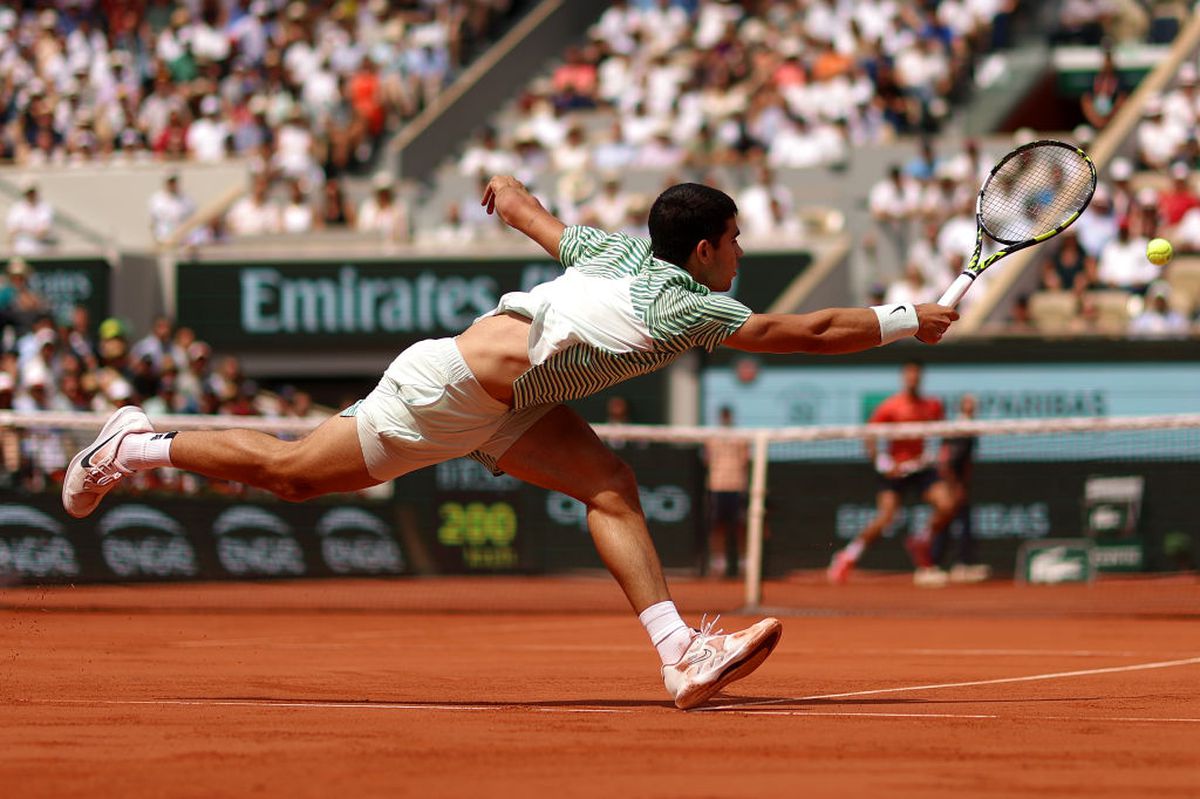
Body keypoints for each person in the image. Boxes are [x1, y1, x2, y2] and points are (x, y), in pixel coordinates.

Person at [63, 176, 958, 710]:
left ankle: (680, 653)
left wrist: (505, 192)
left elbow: (537, 219)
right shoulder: (689, 301)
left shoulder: (616, 251)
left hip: (516, 403)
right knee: (293, 476)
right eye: (733, 239)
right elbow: (803, 332)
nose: (738, 252)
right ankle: (137, 443)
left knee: (610, 482)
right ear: (702, 249)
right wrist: (906, 317)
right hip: (447, 390)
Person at [827, 360, 958, 587]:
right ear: (903, 378)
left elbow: (944, 433)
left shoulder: (933, 405)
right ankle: (847, 555)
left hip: (921, 469)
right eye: (908, 375)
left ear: (921, 378)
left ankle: (921, 541)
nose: (912, 379)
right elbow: (870, 435)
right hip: (895, 470)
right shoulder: (891, 406)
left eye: (916, 375)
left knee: (947, 503)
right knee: (886, 517)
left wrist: (936, 456)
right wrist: (882, 462)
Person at [932, 394, 991, 583]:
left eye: (973, 404)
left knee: (960, 522)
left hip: (958, 483)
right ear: (962, 407)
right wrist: (954, 486)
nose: (971, 407)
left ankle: (958, 564)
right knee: (952, 522)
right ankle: (940, 565)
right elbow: (948, 460)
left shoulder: (971, 427)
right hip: (952, 483)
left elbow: (964, 462)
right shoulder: (960, 428)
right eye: (968, 404)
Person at [702, 406, 750, 578]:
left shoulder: (741, 437)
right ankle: (718, 563)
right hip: (717, 487)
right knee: (717, 526)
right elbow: (707, 460)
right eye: (723, 416)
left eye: (728, 416)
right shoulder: (712, 438)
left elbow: (746, 460)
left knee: (740, 527)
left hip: (737, 486)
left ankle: (745, 564)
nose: (726, 418)